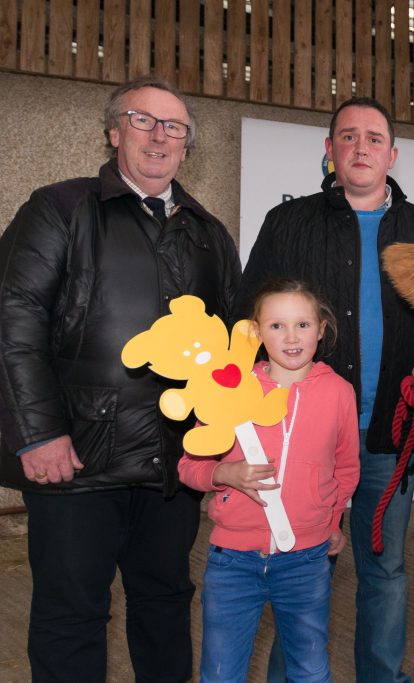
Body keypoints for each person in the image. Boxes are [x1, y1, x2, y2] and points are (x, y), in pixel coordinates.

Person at [0, 75, 240, 682]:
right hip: (77, 457)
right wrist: (37, 433)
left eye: (175, 127)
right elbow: (13, 321)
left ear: (188, 147)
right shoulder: (59, 208)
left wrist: (222, 454)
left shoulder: (209, 232)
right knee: (72, 614)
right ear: (113, 133)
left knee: (164, 604)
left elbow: (231, 351)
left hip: (172, 465)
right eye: (143, 120)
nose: (160, 136)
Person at [235, 96, 414, 683]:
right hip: (301, 432)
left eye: (374, 138)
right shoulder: (288, 223)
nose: (361, 147)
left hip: (391, 432)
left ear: (393, 154)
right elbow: (248, 318)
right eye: (348, 137)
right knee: (302, 569)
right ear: (329, 151)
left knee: (385, 570)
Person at [179, 279, 360, 682]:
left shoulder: (339, 392)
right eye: (276, 326)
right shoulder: (228, 389)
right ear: (257, 333)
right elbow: (189, 466)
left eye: (302, 324)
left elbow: (346, 469)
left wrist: (331, 522)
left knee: (310, 669)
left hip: (306, 560)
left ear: (321, 329)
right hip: (233, 561)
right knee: (221, 673)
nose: (291, 337)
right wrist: (222, 473)